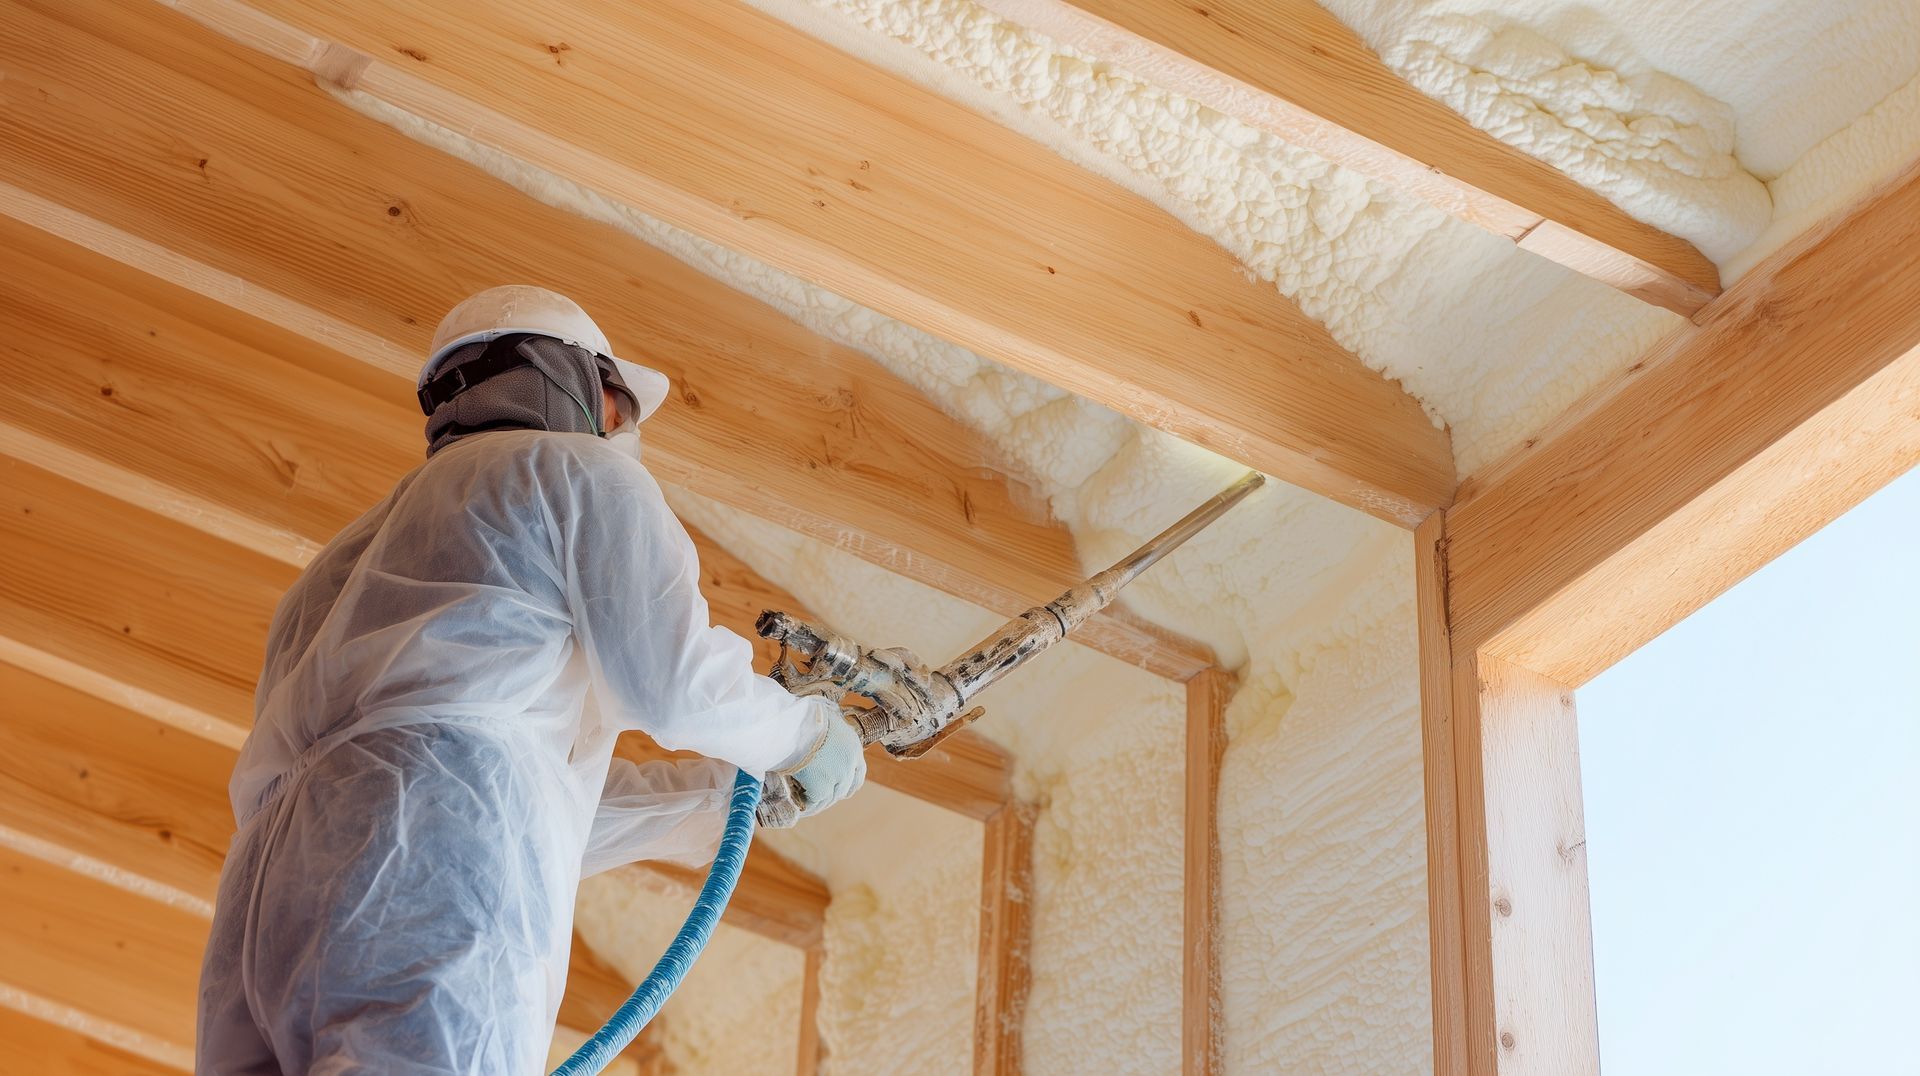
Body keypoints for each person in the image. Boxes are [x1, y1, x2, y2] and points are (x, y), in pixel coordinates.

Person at [195, 285, 866, 1074]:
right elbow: (673, 687)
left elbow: (503, 795)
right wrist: (803, 734)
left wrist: (725, 797)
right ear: (582, 386)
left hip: (261, 910)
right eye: (619, 405)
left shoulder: (332, 571)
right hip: (418, 899)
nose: (623, 429)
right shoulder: (572, 472)